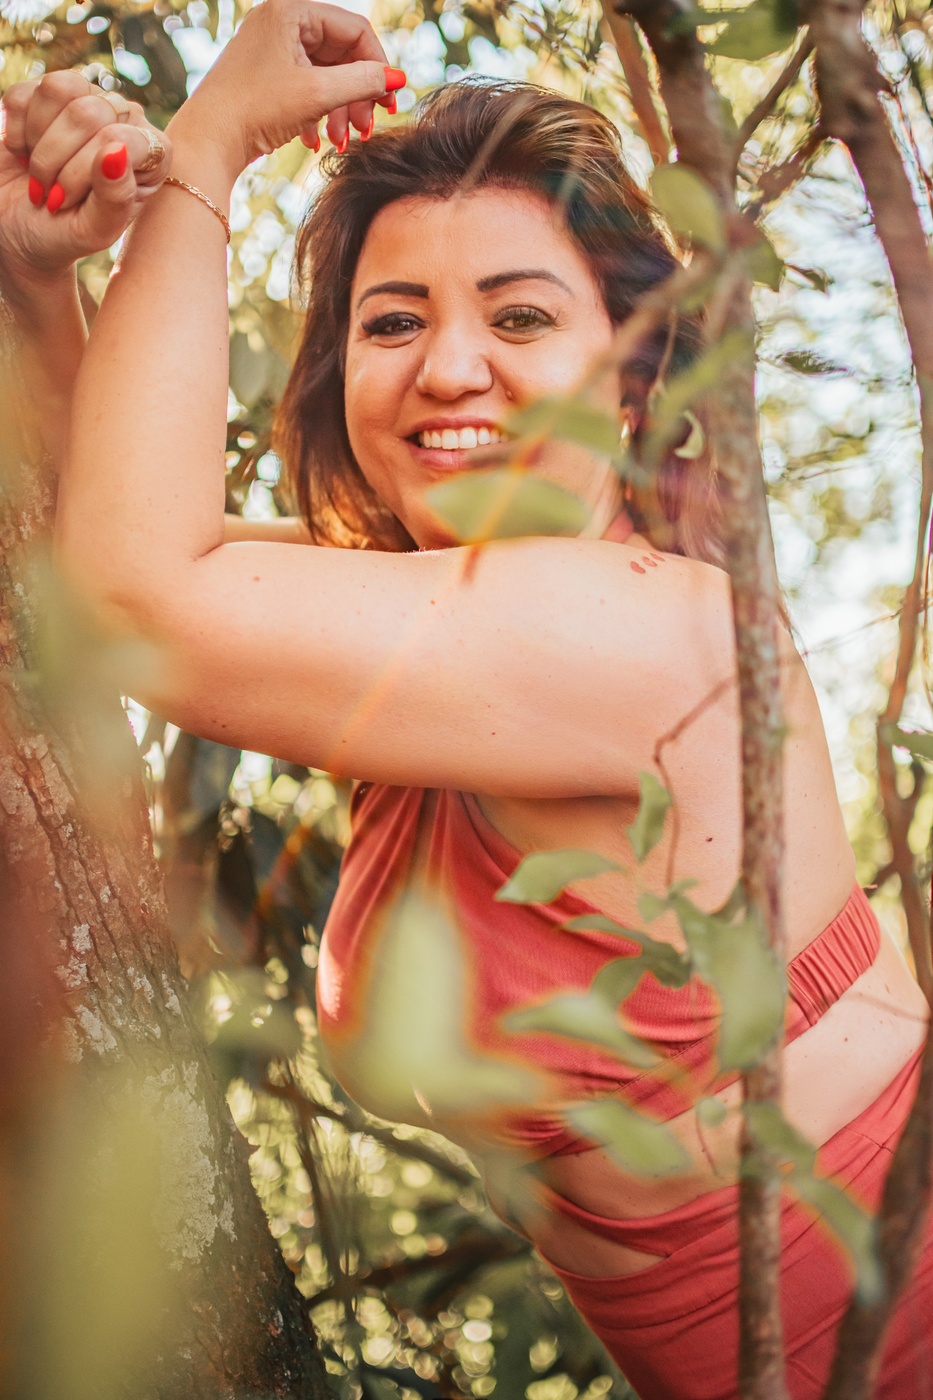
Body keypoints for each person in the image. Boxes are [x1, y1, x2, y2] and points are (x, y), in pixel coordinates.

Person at [12, 2, 930, 1392]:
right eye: (393, 322)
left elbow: (138, 605)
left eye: (519, 316)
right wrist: (38, 275)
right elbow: (88, 550)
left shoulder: (655, 631)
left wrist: (208, 146)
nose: (449, 369)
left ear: (632, 381)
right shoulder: (427, 617)